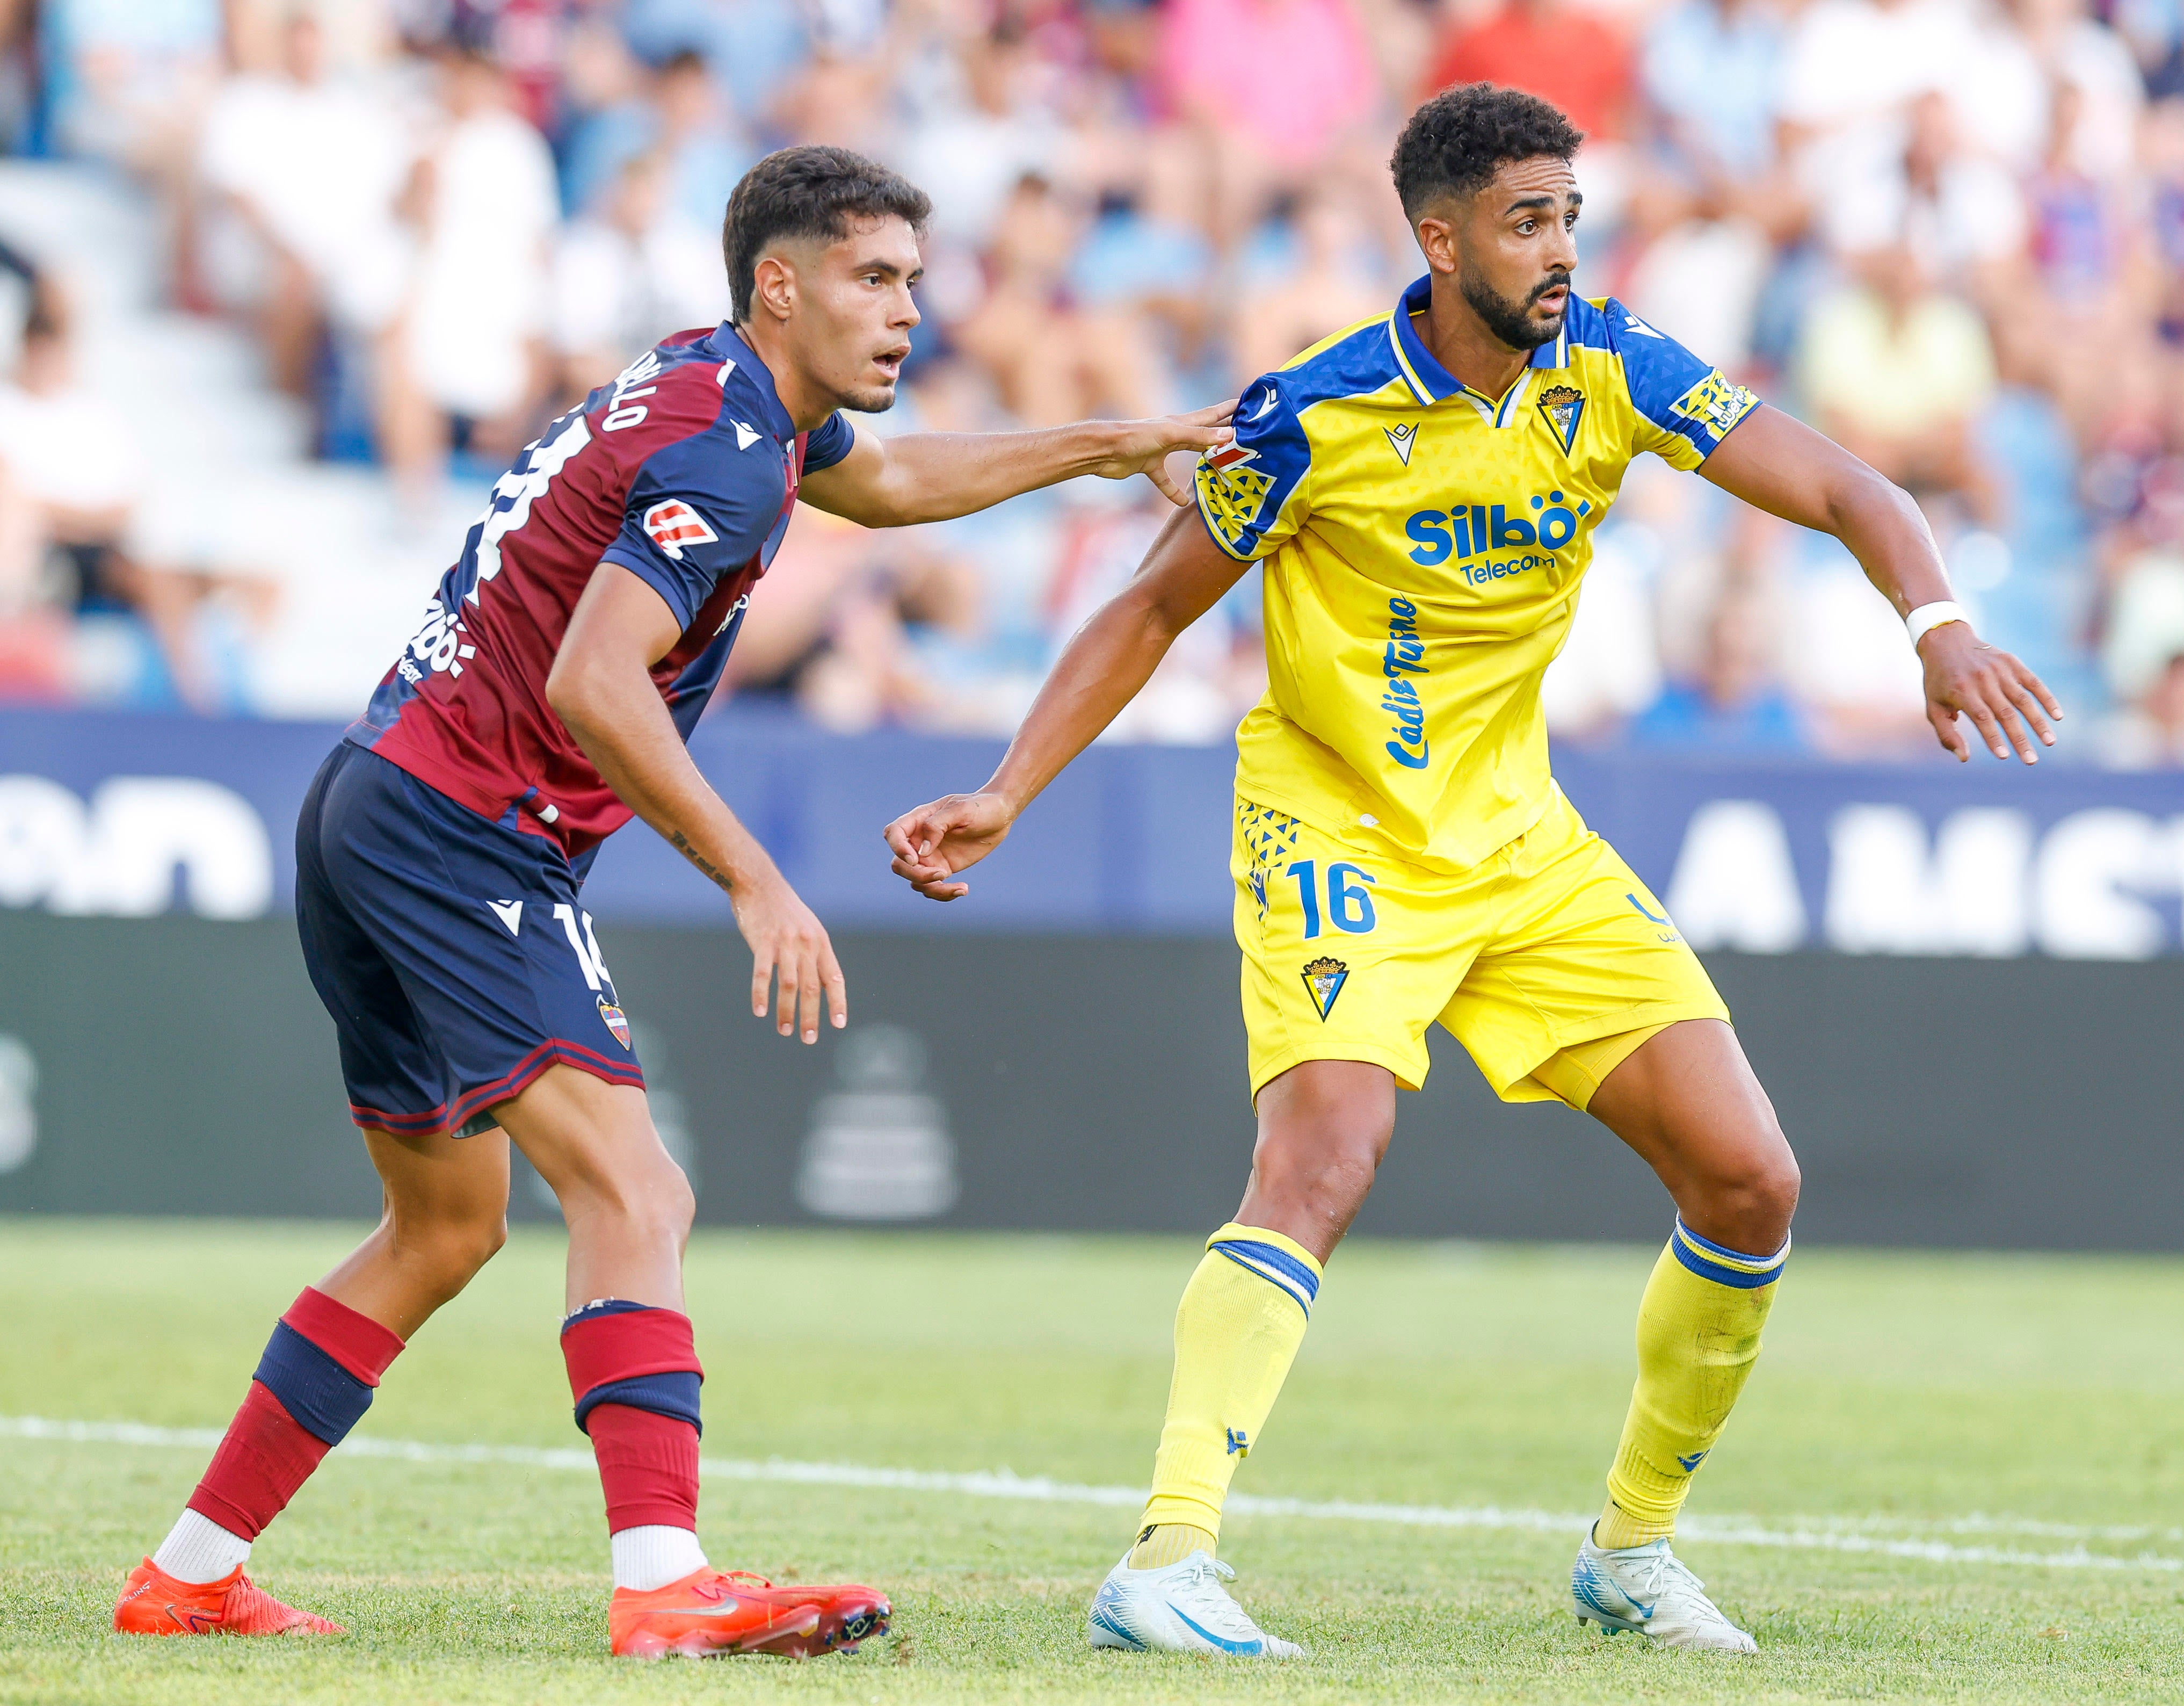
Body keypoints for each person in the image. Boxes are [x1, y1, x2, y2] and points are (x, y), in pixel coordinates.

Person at [883, 84, 2060, 1658]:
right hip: (1339, 822)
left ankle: (1632, 1553)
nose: (1561, 248)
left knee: (1751, 1179)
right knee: (1325, 1154)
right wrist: (1008, 789)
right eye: (1527, 221)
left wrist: (1940, 626)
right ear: (1439, 242)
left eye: (1570, 214)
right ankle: (1166, 1559)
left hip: (1520, 838)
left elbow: (1851, 487)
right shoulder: (1313, 412)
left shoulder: (1617, 369)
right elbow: (1154, 608)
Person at [110, 144, 1231, 1660]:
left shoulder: (716, 387)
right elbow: (593, 677)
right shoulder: (726, 449)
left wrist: (1113, 441)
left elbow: (894, 484)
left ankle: (188, 1572)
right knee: (640, 1194)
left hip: (375, 800)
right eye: (873, 278)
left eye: (913, 279)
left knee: (442, 1232)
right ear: (781, 283)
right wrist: (756, 877)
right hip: (463, 832)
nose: (908, 310)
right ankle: (662, 1582)